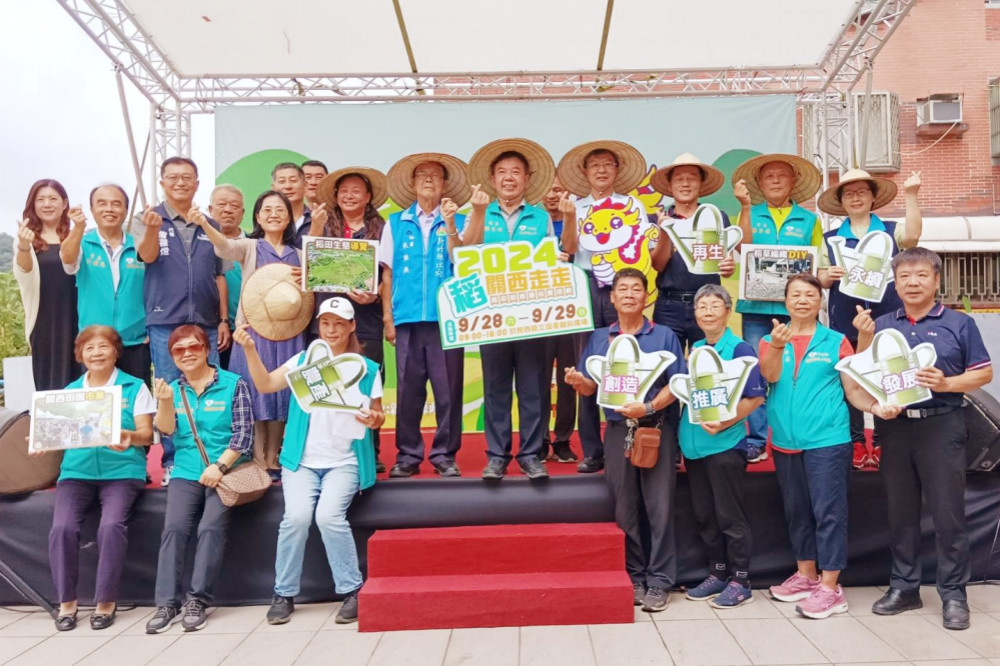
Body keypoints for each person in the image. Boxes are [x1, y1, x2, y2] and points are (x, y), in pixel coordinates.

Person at [854, 248, 992, 631]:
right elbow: (863, 374)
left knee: (948, 512)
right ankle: (904, 587)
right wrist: (865, 344)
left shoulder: (959, 323)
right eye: (904, 277)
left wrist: (947, 383)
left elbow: (982, 374)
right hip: (896, 428)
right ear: (894, 283)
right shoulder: (881, 324)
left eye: (920, 275)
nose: (912, 283)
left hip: (942, 424)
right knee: (901, 511)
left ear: (935, 280)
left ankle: (953, 594)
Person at [233, 297, 383, 626]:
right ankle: (283, 593)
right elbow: (265, 384)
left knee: (329, 517)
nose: (331, 329)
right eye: (326, 323)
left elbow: (379, 414)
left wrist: (374, 418)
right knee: (297, 518)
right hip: (301, 461)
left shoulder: (367, 368)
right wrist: (248, 349)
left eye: (339, 323)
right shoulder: (305, 359)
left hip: (344, 462)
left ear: (351, 326)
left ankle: (351, 590)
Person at [759, 273, 896, 619]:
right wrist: (776, 346)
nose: (803, 300)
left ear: (820, 302)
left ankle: (831, 586)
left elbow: (854, 386)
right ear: (785, 301)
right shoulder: (769, 340)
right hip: (787, 442)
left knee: (828, 513)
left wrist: (874, 407)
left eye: (810, 294)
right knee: (797, 512)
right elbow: (770, 376)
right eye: (796, 295)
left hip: (827, 441)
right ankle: (806, 575)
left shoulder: (836, 341)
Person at [565, 268, 686, 612]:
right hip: (618, 432)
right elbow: (592, 386)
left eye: (637, 288)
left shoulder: (664, 335)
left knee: (659, 507)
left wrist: (647, 406)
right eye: (623, 289)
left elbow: (676, 384)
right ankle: (634, 576)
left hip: (655, 429)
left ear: (646, 297)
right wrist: (579, 382)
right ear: (613, 298)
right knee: (626, 507)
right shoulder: (600, 338)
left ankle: (661, 580)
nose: (630, 294)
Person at [40, 326, 155, 631]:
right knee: (61, 528)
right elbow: (58, 435)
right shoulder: (69, 393)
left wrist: (130, 435)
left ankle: (106, 602)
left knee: (111, 526)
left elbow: (148, 435)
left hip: (122, 473)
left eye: (103, 346)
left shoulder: (135, 387)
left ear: (116, 351)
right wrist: (42, 441)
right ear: (80, 355)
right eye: (89, 348)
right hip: (76, 473)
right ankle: (67, 603)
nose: (97, 353)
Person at [146, 325, 254, 634]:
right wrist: (164, 402)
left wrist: (219, 467)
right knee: (174, 528)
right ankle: (166, 603)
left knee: (210, 527)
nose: (187, 354)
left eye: (194, 347)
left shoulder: (234, 383)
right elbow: (165, 431)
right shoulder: (172, 388)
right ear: (172, 357)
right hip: (186, 471)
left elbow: (244, 435)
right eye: (179, 350)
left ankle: (197, 601)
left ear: (206, 350)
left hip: (229, 471)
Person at [463, 138, 557, 480]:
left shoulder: (541, 217)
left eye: (516, 172)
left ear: (527, 179)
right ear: (492, 178)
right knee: (496, 388)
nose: (509, 178)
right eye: (502, 172)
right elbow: (465, 251)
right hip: (490, 318)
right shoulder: (478, 213)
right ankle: (497, 456)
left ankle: (532, 455)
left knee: (534, 388)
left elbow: (551, 265)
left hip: (532, 318)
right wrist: (475, 212)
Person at [195, 191, 305, 481]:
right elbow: (223, 246)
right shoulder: (250, 247)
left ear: (289, 216)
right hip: (253, 333)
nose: (273, 214)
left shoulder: (301, 254)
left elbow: (316, 285)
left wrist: (306, 275)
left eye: (279, 209)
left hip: (290, 332)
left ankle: (275, 457)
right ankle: (257, 458)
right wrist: (206, 225)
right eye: (266, 209)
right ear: (257, 217)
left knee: (283, 394)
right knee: (254, 395)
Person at [133, 156, 230, 485]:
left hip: (205, 320)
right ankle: (174, 459)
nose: (180, 183)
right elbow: (146, 256)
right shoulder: (148, 218)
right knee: (170, 391)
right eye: (173, 178)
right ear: (162, 183)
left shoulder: (210, 224)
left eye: (187, 177)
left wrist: (222, 320)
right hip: (165, 322)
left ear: (197, 183)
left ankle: (214, 454)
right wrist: (151, 230)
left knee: (211, 386)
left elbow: (219, 276)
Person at [817, 169, 923, 469]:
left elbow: (913, 237)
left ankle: (881, 442)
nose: (856, 197)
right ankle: (855, 443)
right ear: (841, 201)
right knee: (850, 379)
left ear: (873, 197)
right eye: (848, 193)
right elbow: (821, 279)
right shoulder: (830, 239)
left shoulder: (891, 230)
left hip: (888, 319)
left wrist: (912, 195)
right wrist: (826, 274)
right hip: (844, 322)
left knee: (886, 377)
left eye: (862, 191)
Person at [558, 140, 649, 474]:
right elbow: (568, 249)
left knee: (629, 363)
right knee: (586, 366)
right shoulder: (576, 206)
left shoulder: (632, 206)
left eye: (607, 164)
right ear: (585, 172)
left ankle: (631, 440)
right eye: (594, 164)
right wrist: (569, 218)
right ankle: (592, 451)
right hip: (583, 288)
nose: (600, 169)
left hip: (620, 288)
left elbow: (642, 250)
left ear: (617, 170)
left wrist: (634, 292)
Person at [381, 152, 470, 478]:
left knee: (449, 391)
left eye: (435, 175)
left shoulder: (461, 221)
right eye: (422, 175)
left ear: (445, 183)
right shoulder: (395, 222)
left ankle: (445, 455)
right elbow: (387, 275)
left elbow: (463, 262)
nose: (429, 179)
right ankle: (407, 455)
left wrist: (450, 224)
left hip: (447, 320)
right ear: (413, 183)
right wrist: (388, 319)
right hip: (406, 320)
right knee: (408, 390)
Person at [731, 153, 824, 463]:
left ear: (793, 182)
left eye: (781, 175)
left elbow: (817, 263)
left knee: (796, 372)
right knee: (758, 372)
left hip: (796, 310)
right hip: (755, 308)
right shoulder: (749, 213)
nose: (774, 180)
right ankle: (756, 440)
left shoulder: (810, 220)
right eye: (768, 175)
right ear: (759, 183)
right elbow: (742, 249)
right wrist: (744, 208)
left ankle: (793, 433)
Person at [679, 285, 765, 608]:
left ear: (728, 312)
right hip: (694, 447)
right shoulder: (695, 350)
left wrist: (727, 423)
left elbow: (755, 397)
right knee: (705, 516)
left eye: (716, 305)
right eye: (702, 306)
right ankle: (717, 574)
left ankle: (741, 580)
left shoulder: (740, 349)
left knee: (730, 516)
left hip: (725, 445)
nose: (708, 311)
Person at [313, 167, 388, 472]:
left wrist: (376, 294)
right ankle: (330, 448)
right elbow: (311, 260)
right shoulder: (324, 225)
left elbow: (388, 272)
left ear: (368, 197)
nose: (349, 195)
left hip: (366, 316)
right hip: (328, 315)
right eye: (344, 190)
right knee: (328, 381)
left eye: (357, 190)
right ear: (335, 196)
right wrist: (316, 228)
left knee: (366, 382)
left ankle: (371, 450)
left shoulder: (382, 228)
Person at [61, 184, 149, 384]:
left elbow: (154, 288)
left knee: (135, 401)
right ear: (92, 210)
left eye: (116, 204)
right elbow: (67, 260)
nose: (109, 209)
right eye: (102, 204)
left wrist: (151, 326)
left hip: (135, 340)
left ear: (126, 210)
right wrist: (78, 228)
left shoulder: (139, 245)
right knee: (98, 403)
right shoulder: (82, 243)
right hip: (95, 342)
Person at [649, 154, 736, 350]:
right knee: (668, 366)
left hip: (708, 303)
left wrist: (728, 267)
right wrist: (664, 232)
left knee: (708, 366)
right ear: (670, 186)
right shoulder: (657, 218)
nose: (685, 183)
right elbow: (658, 265)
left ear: (701, 184)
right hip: (668, 306)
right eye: (679, 178)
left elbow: (726, 266)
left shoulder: (717, 217)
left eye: (692, 178)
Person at [13, 179, 80, 391]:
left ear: (64, 203)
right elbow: (24, 270)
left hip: (78, 317)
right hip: (45, 321)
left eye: (53, 198)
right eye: (40, 199)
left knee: (82, 375)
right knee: (50, 380)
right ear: (33, 205)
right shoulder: (26, 238)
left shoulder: (76, 236)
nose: (47, 204)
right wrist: (24, 246)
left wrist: (79, 228)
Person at [538, 175, 580, 463]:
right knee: (536, 378)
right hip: (536, 313)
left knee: (568, 378)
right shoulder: (530, 223)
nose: (552, 195)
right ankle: (538, 440)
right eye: (546, 189)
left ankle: (563, 439)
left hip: (569, 311)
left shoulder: (575, 220)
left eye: (558, 189)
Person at [208, 185, 246, 370]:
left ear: (243, 212)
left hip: (248, 329)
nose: (228, 210)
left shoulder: (257, 243)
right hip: (212, 329)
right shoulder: (201, 244)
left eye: (234, 205)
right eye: (221, 204)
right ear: (210, 210)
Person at [271, 162, 328, 247]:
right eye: (282, 181)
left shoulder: (320, 219)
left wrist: (316, 228)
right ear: (273, 188)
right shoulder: (268, 220)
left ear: (305, 185)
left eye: (293, 181)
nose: (288, 186)